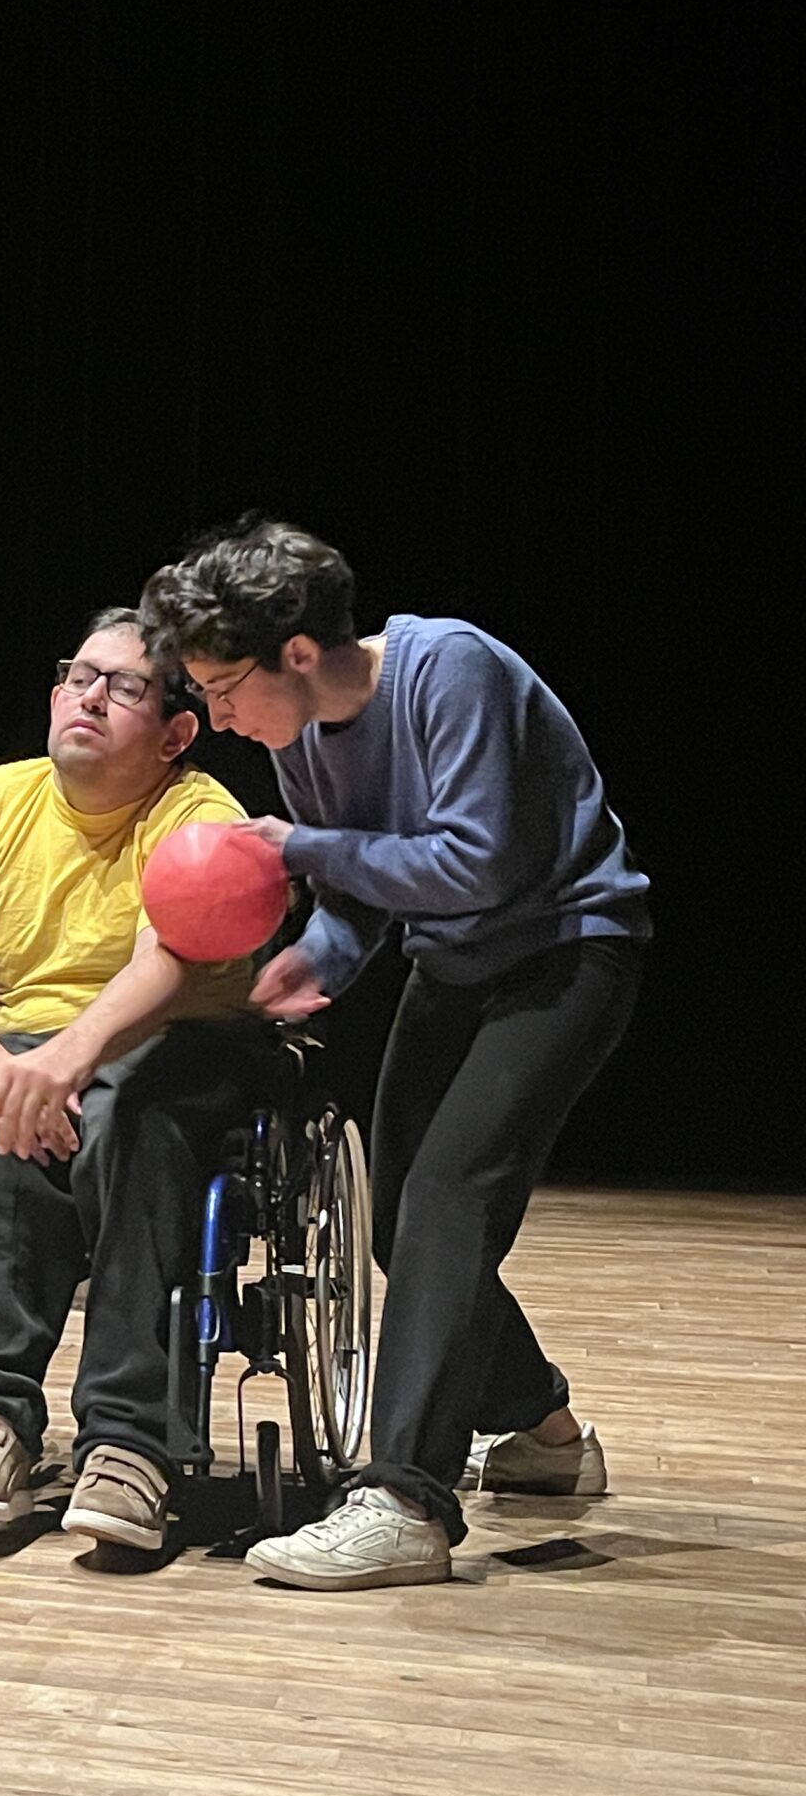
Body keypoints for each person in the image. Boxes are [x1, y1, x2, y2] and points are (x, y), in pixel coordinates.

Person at [142, 519, 649, 1591]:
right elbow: (361, 893)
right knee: (396, 1226)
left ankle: (402, 1502)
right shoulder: (301, 742)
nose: (218, 718)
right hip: (455, 967)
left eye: (222, 687)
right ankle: (546, 1436)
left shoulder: (447, 668)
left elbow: (474, 863)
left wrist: (301, 849)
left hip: (565, 953)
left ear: (293, 652)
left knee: (449, 1202)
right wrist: (317, 956)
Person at [0, 610, 266, 1556]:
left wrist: (63, 1064)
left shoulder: (199, 819)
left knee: (130, 1108)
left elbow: (166, 969)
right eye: (78, 675)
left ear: (177, 733)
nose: (89, 697)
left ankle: (129, 1440)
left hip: (172, 1050)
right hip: (26, 1053)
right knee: (7, 1120)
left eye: (125, 687)